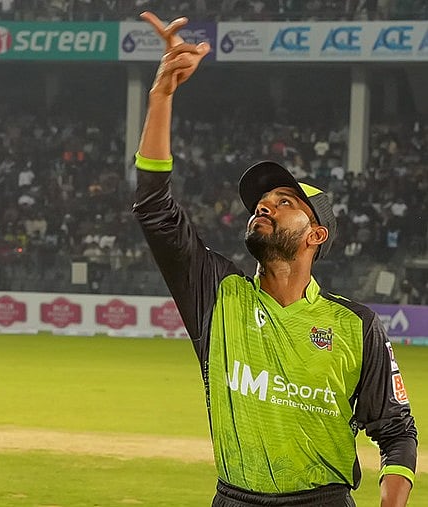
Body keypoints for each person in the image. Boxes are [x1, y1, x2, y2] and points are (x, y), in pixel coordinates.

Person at [131, 13, 417, 507]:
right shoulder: (217, 294)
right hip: (233, 499)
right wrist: (160, 98)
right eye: (262, 202)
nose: (265, 205)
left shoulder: (357, 325)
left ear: (316, 235)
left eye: (286, 202)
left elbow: (396, 431)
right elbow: (155, 210)